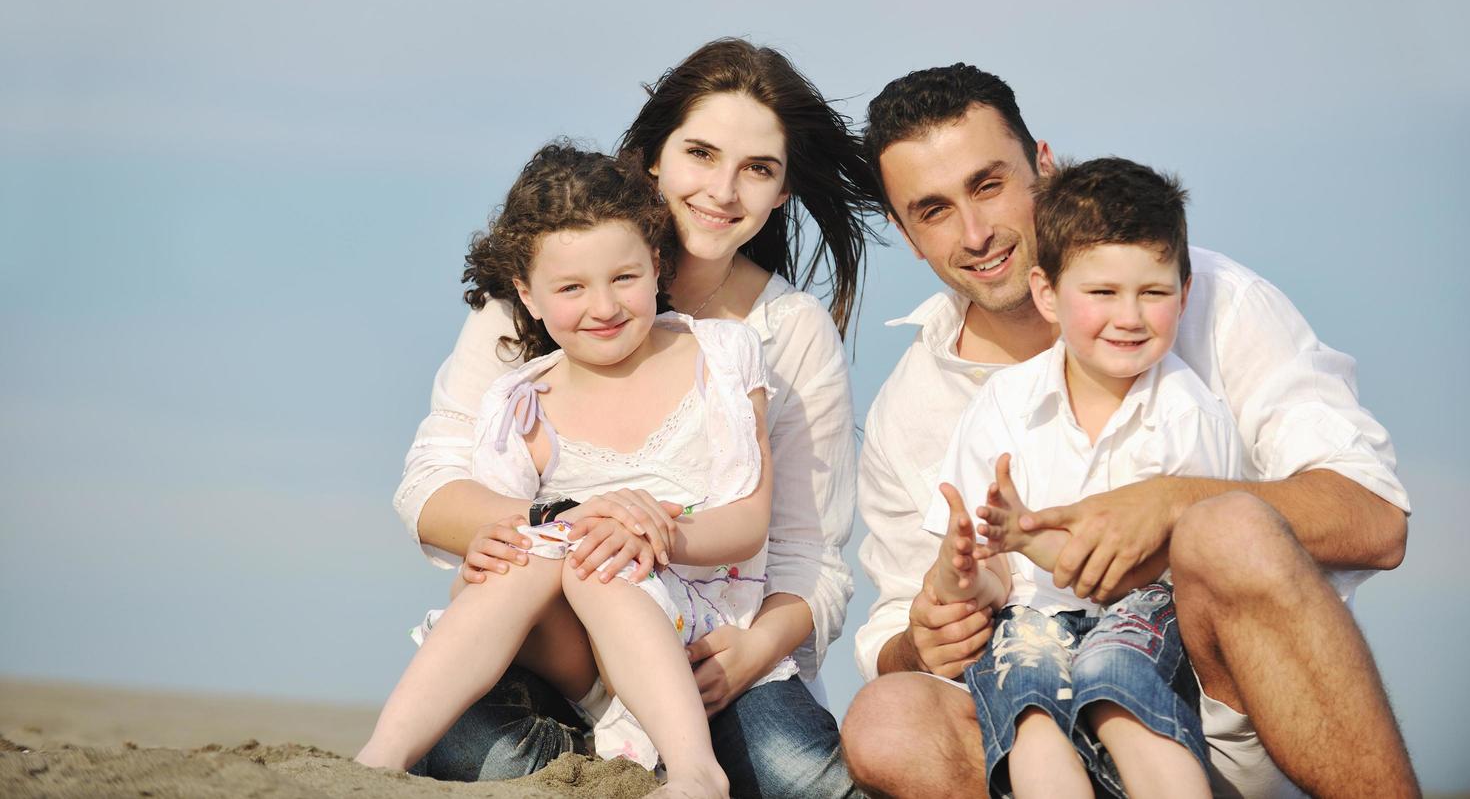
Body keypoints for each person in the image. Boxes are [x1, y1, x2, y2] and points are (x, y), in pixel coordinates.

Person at [842, 63, 1415, 798]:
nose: (976, 232)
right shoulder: (911, 405)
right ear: (904, 232)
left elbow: (1376, 517)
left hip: (1224, 701)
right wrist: (922, 635)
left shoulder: (1206, 298)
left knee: (1226, 527)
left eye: (989, 185)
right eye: (934, 210)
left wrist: (1175, 502)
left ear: (1043, 168)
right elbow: (898, 626)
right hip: (1035, 701)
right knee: (887, 717)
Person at [394, 39, 875, 797]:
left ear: (783, 190)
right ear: (652, 156)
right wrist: (566, 524)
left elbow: (811, 554)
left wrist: (751, 651)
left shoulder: (785, 332)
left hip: (709, 645)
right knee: (470, 754)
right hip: (551, 635)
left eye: (758, 169)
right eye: (701, 153)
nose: (723, 190)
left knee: (801, 779)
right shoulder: (539, 295)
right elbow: (433, 481)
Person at [360, 145, 782, 797]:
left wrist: (654, 533)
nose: (604, 306)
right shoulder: (524, 401)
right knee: (538, 551)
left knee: (603, 558)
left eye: (624, 277)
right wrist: (488, 552)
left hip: (690, 624)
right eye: (571, 288)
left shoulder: (721, 360)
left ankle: (696, 770)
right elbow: (492, 571)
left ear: (656, 264)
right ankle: (380, 756)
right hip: (573, 657)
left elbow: (750, 523)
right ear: (527, 295)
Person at [929, 157, 1240, 798]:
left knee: (1119, 687)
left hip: (1150, 609)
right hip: (1034, 615)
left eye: (1152, 293)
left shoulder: (1190, 415)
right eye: (1102, 293)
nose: (1129, 316)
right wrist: (961, 573)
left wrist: (1030, 536)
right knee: (1030, 716)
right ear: (1047, 294)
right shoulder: (1004, 405)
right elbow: (992, 575)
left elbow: (1146, 572)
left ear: (1183, 294)